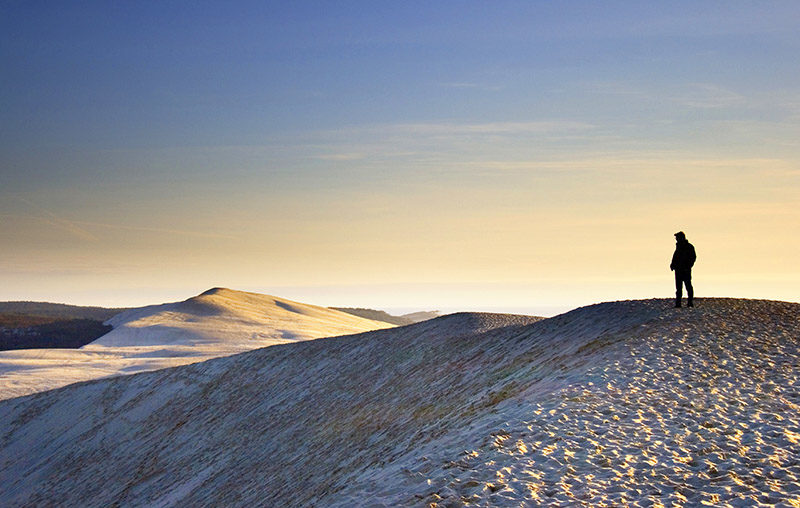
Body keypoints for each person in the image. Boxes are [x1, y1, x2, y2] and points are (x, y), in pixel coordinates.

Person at [670, 231, 696, 307]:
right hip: (678, 270)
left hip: (685, 270)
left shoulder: (689, 247)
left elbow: (693, 258)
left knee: (688, 286)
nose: (676, 239)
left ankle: (690, 302)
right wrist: (672, 265)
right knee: (678, 287)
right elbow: (675, 257)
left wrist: (688, 266)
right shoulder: (678, 248)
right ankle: (678, 303)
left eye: (677, 237)